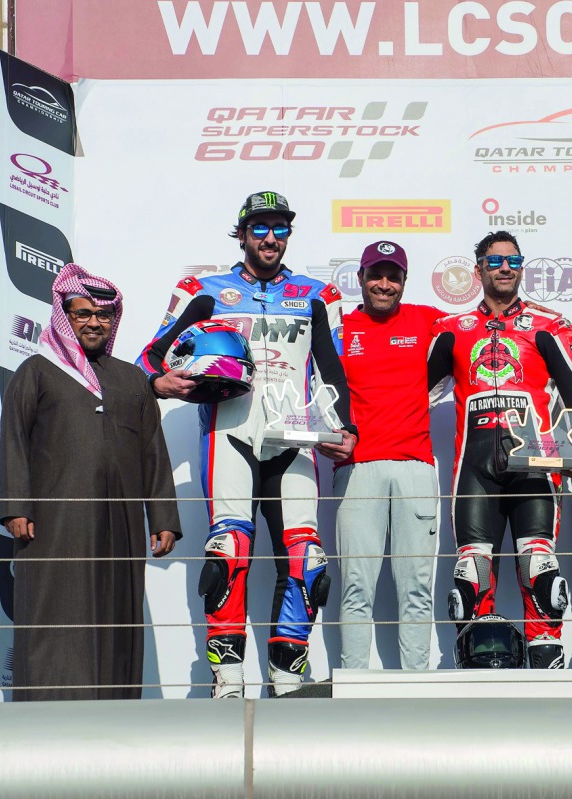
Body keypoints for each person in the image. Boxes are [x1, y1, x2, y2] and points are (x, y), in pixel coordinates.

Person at [139, 190, 356, 698]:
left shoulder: (318, 295)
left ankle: (288, 678)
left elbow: (333, 369)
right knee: (228, 549)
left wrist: (346, 429)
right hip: (229, 433)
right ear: (241, 234)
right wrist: (159, 383)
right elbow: (150, 356)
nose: (270, 237)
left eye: (280, 228)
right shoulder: (204, 290)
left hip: (295, 436)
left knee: (306, 558)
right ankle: (228, 679)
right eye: (260, 227)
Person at [0, 263, 180, 701]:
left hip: (121, 526)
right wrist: (17, 507)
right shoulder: (37, 370)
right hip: (55, 524)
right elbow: (14, 438)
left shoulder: (132, 379)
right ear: (65, 316)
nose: (94, 323)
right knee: (55, 613)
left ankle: (115, 716)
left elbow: (153, 452)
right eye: (82, 314)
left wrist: (163, 518)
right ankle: (49, 714)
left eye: (103, 315)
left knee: (118, 614)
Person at [427, 230, 572, 670]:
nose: (505, 268)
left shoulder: (549, 324)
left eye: (514, 261)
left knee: (540, 571)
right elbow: (413, 395)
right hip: (474, 467)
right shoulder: (451, 329)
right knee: (472, 575)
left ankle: (547, 675)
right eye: (496, 261)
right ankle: (479, 673)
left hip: (536, 464)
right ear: (478, 269)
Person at [335, 240, 444, 671]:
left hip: (416, 466)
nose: (384, 284)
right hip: (356, 468)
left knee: (416, 588)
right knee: (355, 587)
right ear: (360, 278)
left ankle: (416, 687)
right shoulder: (340, 327)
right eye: (376, 275)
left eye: (393, 276)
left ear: (404, 280)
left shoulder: (427, 319)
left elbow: (483, 327)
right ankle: (352, 686)